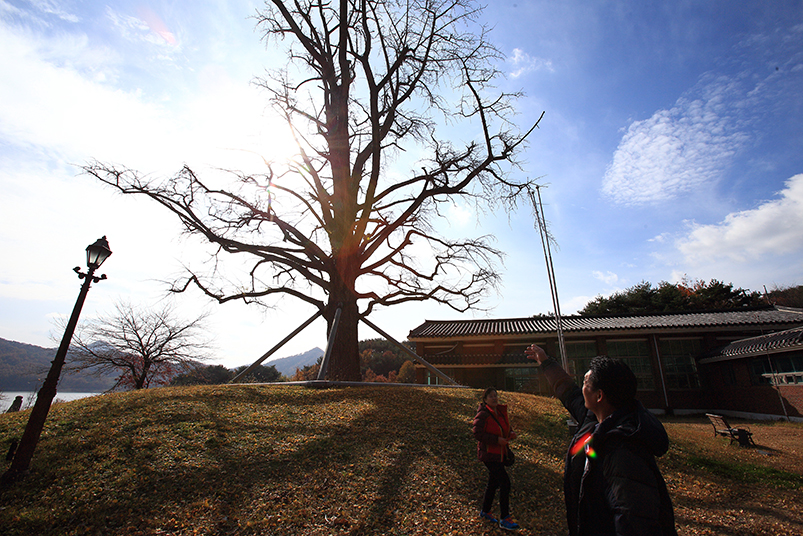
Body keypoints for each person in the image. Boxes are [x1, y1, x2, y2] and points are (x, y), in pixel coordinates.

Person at [525, 345, 677, 536]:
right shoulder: (595, 420)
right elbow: (568, 392)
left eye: (585, 383)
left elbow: (634, 522)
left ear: (599, 395)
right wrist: (545, 361)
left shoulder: (623, 450)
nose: (581, 388)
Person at [472, 387, 520, 530]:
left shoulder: (500, 412)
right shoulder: (483, 414)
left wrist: (510, 433)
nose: (494, 398)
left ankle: (486, 511)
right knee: (505, 482)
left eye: (495, 395)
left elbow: (505, 428)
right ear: (485, 399)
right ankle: (505, 517)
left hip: (500, 453)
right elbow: (477, 433)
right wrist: (496, 440)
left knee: (493, 483)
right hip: (489, 454)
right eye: (491, 396)